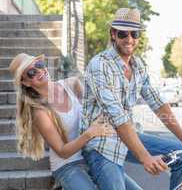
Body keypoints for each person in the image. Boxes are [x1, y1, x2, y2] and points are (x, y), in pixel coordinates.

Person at [80, 8, 182, 190]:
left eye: (134, 33)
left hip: (128, 137)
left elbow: (159, 105)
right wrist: (145, 157)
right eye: (123, 33)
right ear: (113, 34)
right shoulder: (100, 65)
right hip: (101, 144)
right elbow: (117, 116)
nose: (129, 39)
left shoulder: (138, 66)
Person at [8, 53, 115, 190]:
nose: (39, 71)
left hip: (92, 154)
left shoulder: (71, 84)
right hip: (67, 165)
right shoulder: (40, 112)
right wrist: (89, 134)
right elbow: (62, 151)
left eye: (39, 65)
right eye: (31, 72)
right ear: (26, 82)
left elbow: (95, 110)